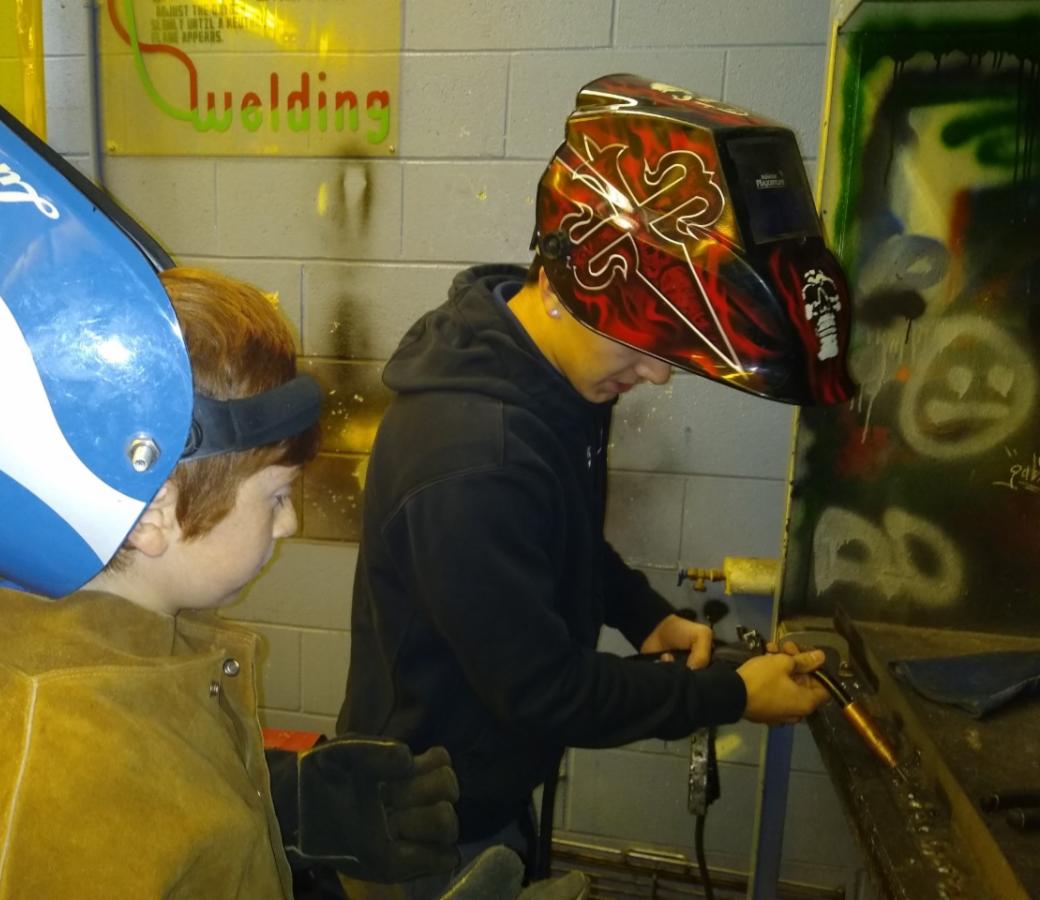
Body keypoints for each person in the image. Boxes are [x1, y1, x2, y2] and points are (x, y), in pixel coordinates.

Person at [0, 39, 479, 900]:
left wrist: (279, 812)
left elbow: (154, 821)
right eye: (277, 495)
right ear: (149, 510)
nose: (290, 523)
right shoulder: (58, 763)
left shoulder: (107, 654)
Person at [338, 73, 856, 893]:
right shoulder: (472, 458)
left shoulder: (552, 376)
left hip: (484, 785)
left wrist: (645, 617)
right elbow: (544, 689)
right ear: (570, 278)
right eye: (648, 349)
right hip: (423, 827)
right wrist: (729, 693)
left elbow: (562, 534)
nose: (656, 377)